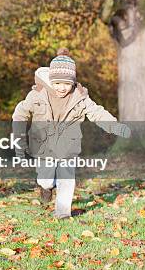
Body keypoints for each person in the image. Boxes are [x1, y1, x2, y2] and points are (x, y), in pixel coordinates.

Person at [12, 48, 131, 218]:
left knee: (67, 179)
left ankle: (62, 213)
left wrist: (114, 126)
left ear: (73, 83)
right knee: (45, 179)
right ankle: (45, 187)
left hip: (68, 144)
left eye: (67, 84)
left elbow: (96, 112)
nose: (62, 88)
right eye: (58, 83)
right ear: (51, 81)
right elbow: (20, 114)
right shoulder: (37, 95)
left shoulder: (80, 97)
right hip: (43, 144)